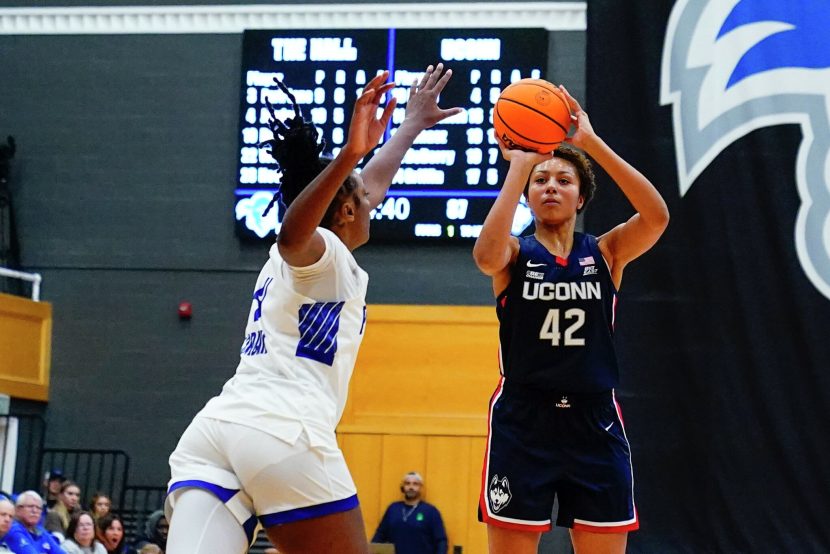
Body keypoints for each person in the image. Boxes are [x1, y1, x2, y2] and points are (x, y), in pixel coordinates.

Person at [164, 64, 462, 554]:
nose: (374, 200)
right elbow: (292, 235)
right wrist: (349, 153)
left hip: (216, 433)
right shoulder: (320, 252)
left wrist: (410, 125)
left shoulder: (308, 256)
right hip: (283, 431)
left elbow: (370, 184)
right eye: (365, 199)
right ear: (347, 211)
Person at [473, 85, 669, 554]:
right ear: (528, 195)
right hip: (525, 419)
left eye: (563, 180)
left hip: (594, 420)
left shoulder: (606, 251)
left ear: (581, 197)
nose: (551, 187)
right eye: (540, 181)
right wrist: (519, 165)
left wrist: (592, 144)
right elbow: (484, 256)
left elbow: (657, 215)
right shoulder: (514, 253)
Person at [371, 472, 447, 554]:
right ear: (403, 487)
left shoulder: (431, 511)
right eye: (407, 483)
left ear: (421, 488)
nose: (411, 487)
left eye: (415, 484)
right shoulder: (393, 509)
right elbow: (380, 535)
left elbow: (441, 541)